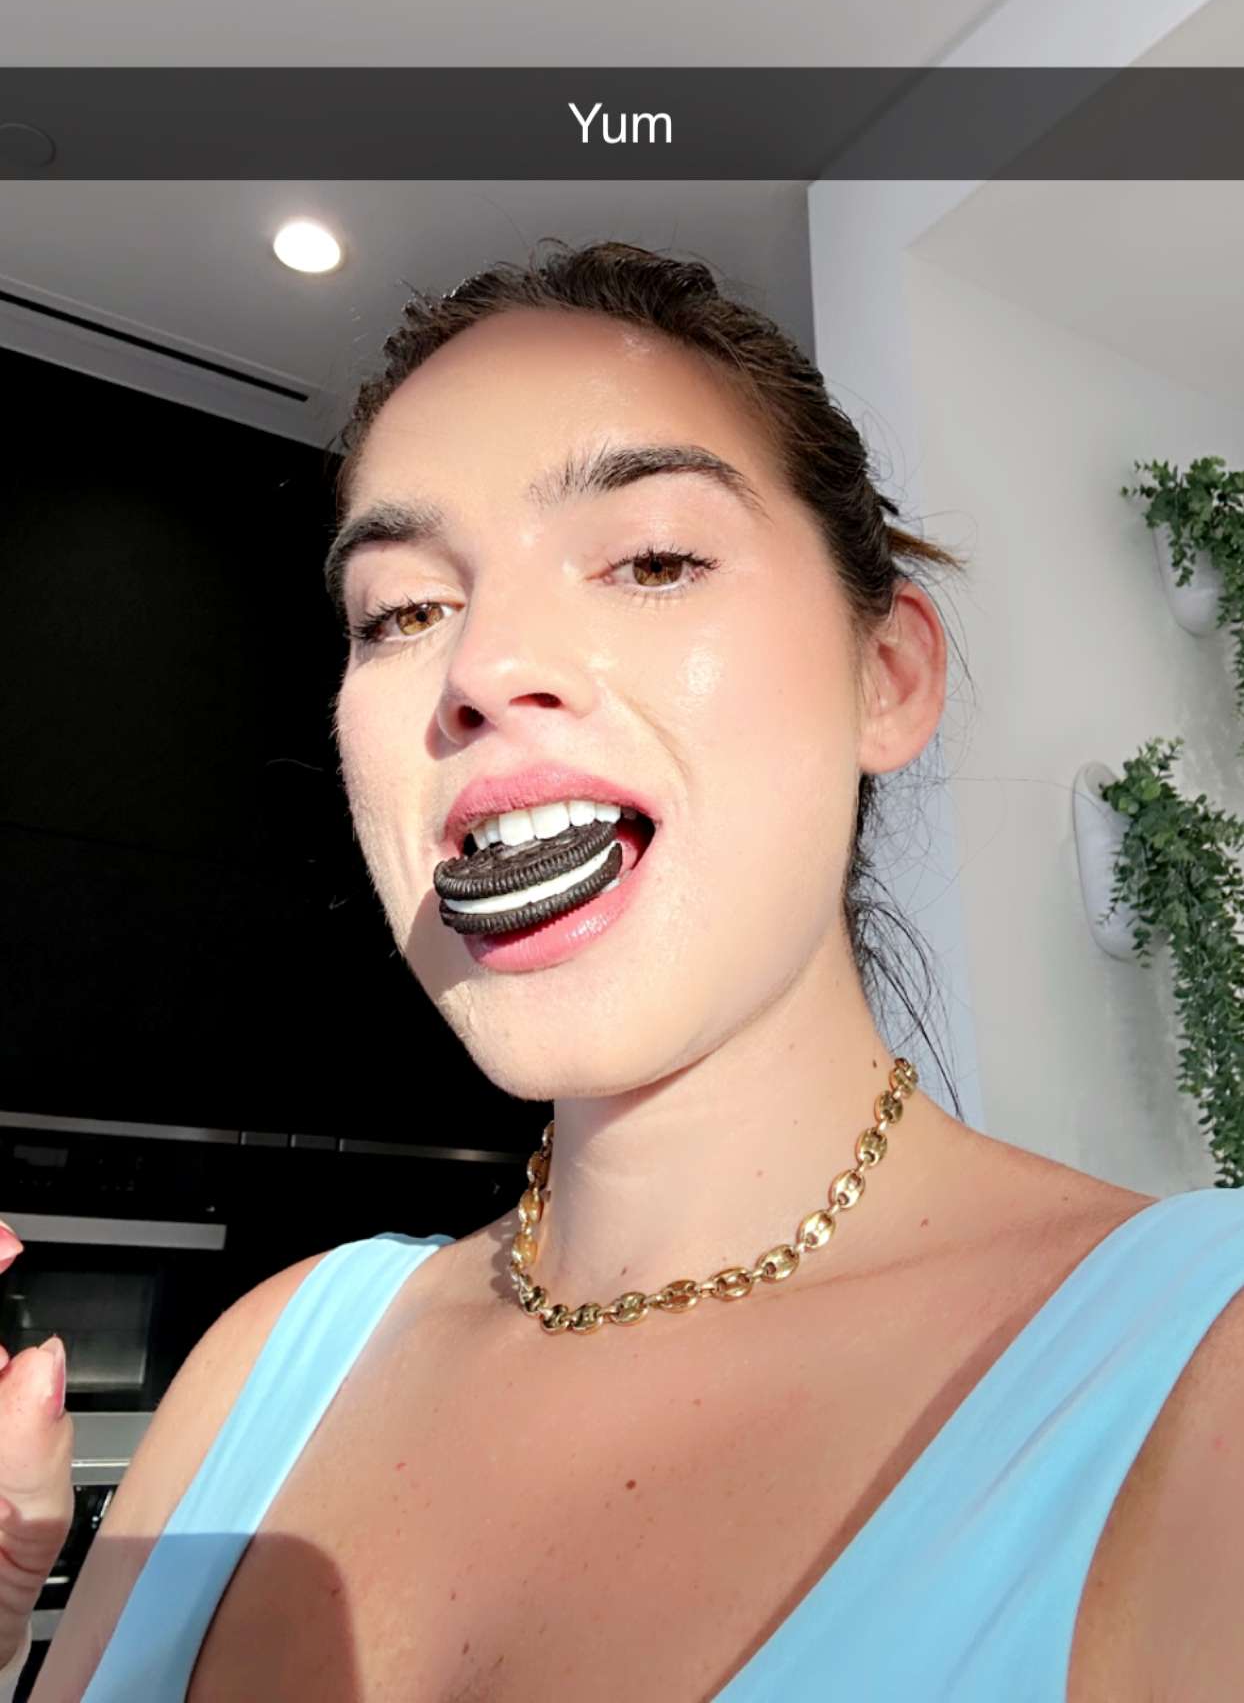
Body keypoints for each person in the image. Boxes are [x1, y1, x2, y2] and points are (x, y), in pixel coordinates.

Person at [3, 237, 1243, 1701]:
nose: (479, 668)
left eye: (652, 560)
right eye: (403, 611)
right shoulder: (258, 1370)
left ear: (888, 675)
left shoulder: (1203, 1373)